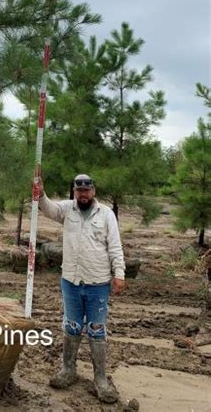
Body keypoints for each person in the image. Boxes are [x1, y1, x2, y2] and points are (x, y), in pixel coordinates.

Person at [38, 173, 125, 404]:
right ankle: (68, 370)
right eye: (79, 190)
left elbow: (115, 246)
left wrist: (119, 274)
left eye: (87, 190)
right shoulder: (67, 210)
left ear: (93, 191)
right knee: (72, 325)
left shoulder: (106, 214)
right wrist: (40, 192)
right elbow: (47, 208)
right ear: (75, 192)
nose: (83, 194)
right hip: (71, 282)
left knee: (96, 330)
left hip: (98, 284)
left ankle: (101, 379)